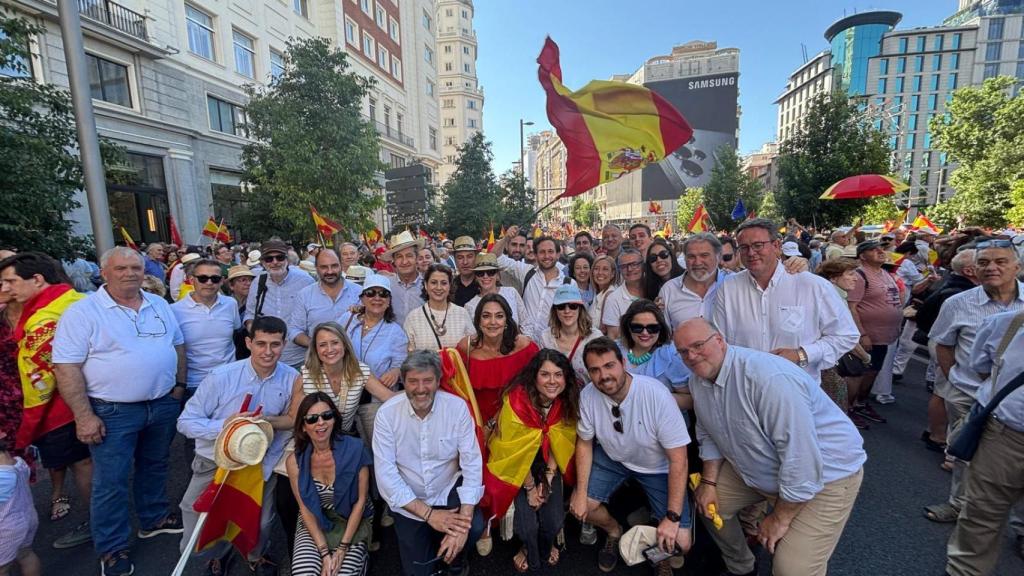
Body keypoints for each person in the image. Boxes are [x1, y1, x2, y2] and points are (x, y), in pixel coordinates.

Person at [677, 318, 865, 576]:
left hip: (825, 476)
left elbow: (802, 460)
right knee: (710, 506)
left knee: (791, 570)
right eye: (684, 351)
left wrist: (779, 518)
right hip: (760, 468)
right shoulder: (699, 380)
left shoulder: (768, 379)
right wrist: (708, 483)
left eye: (698, 345)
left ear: (720, 341)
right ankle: (741, 566)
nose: (692, 356)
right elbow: (708, 432)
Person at [53, 247, 186, 576]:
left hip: (161, 403)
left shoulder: (159, 304)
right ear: (104, 272)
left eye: (136, 267)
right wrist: (84, 416)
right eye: (122, 268)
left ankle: (153, 518)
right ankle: (112, 548)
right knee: (110, 482)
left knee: (155, 465)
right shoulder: (83, 312)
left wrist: (178, 387)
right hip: (112, 410)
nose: (130, 273)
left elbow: (178, 345)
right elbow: (65, 366)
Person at [177, 315, 296, 575]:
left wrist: (269, 460)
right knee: (199, 514)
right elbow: (185, 422)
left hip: (258, 463)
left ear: (284, 344)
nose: (268, 352)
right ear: (248, 343)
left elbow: (290, 422)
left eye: (275, 344)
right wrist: (226, 426)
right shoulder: (221, 377)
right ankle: (216, 555)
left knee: (261, 521)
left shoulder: (291, 378)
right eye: (261, 343)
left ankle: (255, 555)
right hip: (215, 461)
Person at [571, 337, 693, 575]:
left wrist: (672, 516)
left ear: (623, 363)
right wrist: (581, 492)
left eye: (609, 366)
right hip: (613, 458)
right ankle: (614, 530)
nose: (603, 376)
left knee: (683, 542)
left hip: (657, 466)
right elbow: (584, 443)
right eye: (594, 370)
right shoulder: (587, 395)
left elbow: (679, 459)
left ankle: (660, 550)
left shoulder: (656, 394)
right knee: (582, 506)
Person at [925, 239, 1023, 524]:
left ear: (1017, 266)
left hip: (1016, 402)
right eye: (983, 263)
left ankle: (1020, 527)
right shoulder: (958, 303)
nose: (991, 267)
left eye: (1000, 261)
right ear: (974, 269)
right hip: (968, 394)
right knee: (965, 456)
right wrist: (953, 380)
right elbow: (942, 343)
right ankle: (959, 506)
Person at [0, 253, 93, 544]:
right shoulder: (70, 301)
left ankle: (98, 523)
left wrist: (30, 423)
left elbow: (41, 378)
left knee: (83, 463)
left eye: (11, 281)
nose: (7, 287)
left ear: (37, 279)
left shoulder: (47, 315)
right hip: (65, 400)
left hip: (60, 405)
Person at [372, 351, 485, 576]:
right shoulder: (387, 414)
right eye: (413, 381)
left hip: (447, 488)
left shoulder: (457, 408)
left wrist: (463, 523)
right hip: (409, 497)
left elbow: (472, 464)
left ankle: (456, 563)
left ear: (438, 381)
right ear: (403, 381)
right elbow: (386, 477)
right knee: (419, 572)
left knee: (473, 530)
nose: (421, 388)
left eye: (428, 381)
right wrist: (430, 515)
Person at [713, 219, 859, 383]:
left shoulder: (812, 286)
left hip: (798, 389)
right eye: (744, 247)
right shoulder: (728, 288)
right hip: (746, 390)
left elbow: (846, 335)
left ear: (776, 246)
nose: (751, 253)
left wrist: (802, 354)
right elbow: (719, 341)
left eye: (758, 245)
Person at [484, 349, 580, 572]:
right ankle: (533, 555)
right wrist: (530, 488)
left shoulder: (566, 402)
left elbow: (561, 442)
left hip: (547, 466)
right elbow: (513, 452)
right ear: (534, 376)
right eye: (545, 374)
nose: (552, 381)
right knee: (527, 528)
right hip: (518, 468)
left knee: (553, 523)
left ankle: (544, 549)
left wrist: (547, 478)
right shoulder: (516, 403)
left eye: (558, 374)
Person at [946, 309, 1024, 575]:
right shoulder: (1006, 323)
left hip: (1008, 431)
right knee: (982, 514)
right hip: (1007, 436)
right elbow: (983, 370)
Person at [287, 392, 374, 576]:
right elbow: (305, 508)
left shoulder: (355, 449)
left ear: (334, 419)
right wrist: (324, 553)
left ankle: (361, 561)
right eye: (312, 419)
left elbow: (361, 501)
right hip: (316, 520)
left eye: (327, 416)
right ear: (303, 426)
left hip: (351, 519)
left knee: (340, 573)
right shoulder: (294, 462)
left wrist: (342, 549)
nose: (321, 423)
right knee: (303, 573)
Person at [915, 249, 977, 449]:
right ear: (969, 270)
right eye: (982, 262)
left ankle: (936, 433)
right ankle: (938, 436)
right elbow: (930, 323)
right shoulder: (959, 295)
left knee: (943, 391)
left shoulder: (952, 286)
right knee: (944, 392)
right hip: (950, 350)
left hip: (949, 348)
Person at [457, 293, 539, 427]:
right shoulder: (465, 348)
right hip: (477, 425)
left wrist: (492, 424)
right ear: (478, 320)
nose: (493, 322)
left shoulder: (524, 347)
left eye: (499, 316)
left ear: (507, 321)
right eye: (486, 316)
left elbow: (535, 388)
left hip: (516, 424)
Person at [846, 240, 903, 422]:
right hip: (868, 336)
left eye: (881, 249)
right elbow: (852, 307)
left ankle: (860, 403)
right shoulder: (860, 275)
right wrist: (862, 334)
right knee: (861, 373)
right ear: (862, 256)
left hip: (885, 336)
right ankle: (851, 406)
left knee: (873, 371)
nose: (880, 252)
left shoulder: (885, 273)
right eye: (874, 250)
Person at [171, 259, 240, 404]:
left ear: (222, 281)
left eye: (214, 279)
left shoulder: (230, 304)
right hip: (194, 384)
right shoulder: (175, 310)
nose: (209, 283)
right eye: (203, 278)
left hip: (229, 381)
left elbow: (234, 333)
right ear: (191, 280)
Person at [493, 228, 576, 341]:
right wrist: (506, 237)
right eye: (542, 252)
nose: (546, 256)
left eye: (550, 251)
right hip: (525, 343)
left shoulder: (569, 284)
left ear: (558, 254)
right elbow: (494, 258)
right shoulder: (527, 272)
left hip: (552, 346)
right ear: (536, 255)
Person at [814, 259, 873, 414]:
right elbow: (846, 337)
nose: (856, 278)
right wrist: (865, 357)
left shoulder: (836, 295)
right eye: (851, 274)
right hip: (826, 364)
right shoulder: (834, 298)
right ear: (833, 278)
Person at [244, 239, 315, 365]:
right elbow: (250, 314)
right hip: (266, 360)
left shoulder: (305, 281)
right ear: (263, 263)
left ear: (287, 259)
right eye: (269, 259)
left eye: (279, 257)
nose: (275, 262)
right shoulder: (258, 282)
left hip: (300, 359)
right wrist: (257, 333)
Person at [287, 249, 362, 368]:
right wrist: (317, 345)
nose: (330, 271)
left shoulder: (359, 292)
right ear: (316, 268)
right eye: (324, 267)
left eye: (334, 266)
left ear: (341, 266)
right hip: (318, 365)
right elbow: (294, 330)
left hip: (355, 363)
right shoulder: (305, 295)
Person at [617, 299, 691, 410]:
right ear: (628, 327)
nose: (645, 333)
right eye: (637, 327)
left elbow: (690, 400)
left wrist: (652, 399)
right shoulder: (615, 348)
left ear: (661, 328)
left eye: (652, 328)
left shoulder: (671, 354)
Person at [660, 233, 728, 331]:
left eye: (704, 255)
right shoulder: (669, 290)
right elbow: (663, 335)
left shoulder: (732, 284)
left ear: (718, 256)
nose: (697, 262)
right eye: (691, 256)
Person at [539, 285, 602, 385]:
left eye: (573, 306)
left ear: (580, 309)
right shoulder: (545, 338)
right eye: (561, 306)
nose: (567, 311)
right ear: (555, 310)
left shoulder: (595, 337)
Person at [404, 264, 474, 352]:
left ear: (450, 286)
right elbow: (409, 354)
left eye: (444, 283)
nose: (439, 287)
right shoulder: (413, 317)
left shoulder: (462, 313)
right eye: (433, 282)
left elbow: (471, 347)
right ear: (426, 285)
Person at [0, 431, 41, 576]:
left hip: (6, 528)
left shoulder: (2, 477)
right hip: (28, 517)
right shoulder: (19, 462)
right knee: (25, 555)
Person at [464, 252, 526, 325]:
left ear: (497, 276)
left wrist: (524, 336)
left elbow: (525, 322)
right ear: (476, 277)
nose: (485, 276)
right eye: (480, 273)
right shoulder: (470, 306)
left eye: (491, 272)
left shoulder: (511, 292)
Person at [601, 248, 645, 340]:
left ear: (642, 265)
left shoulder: (656, 289)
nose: (629, 269)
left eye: (634, 264)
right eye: (624, 266)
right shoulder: (613, 299)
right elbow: (613, 336)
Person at [384, 231, 426, 325]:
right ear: (393, 261)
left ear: (417, 258)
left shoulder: (428, 285)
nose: (404, 261)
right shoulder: (386, 286)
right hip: (394, 339)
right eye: (399, 257)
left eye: (409, 256)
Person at [644, 237, 685, 302]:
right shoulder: (648, 288)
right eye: (653, 258)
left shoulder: (687, 279)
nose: (659, 260)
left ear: (671, 257)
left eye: (663, 254)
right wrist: (654, 308)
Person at [588, 254, 619, 334]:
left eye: (605, 269)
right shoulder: (598, 293)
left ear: (612, 274)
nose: (600, 272)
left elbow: (603, 330)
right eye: (596, 269)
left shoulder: (610, 295)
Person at [449, 236, 481, 307]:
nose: (465, 262)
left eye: (469, 256)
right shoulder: (449, 286)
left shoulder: (485, 283)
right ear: (455, 260)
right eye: (460, 257)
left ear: (476, 257)